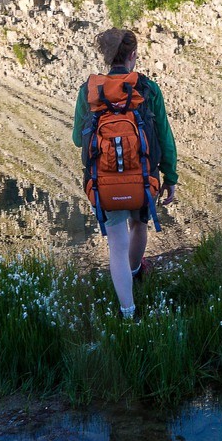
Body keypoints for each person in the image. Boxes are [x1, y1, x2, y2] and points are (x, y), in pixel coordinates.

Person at [73, 28, 178, 319]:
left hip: (104, 182)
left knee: (116, 245)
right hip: (144, 178)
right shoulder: (147, 88)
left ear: (106, 57)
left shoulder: (90, 90)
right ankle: (135, 271)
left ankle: (128, 312)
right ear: (132, 55)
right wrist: (170, 177)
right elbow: (164, 137)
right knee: (139, 226)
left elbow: (77, 139)